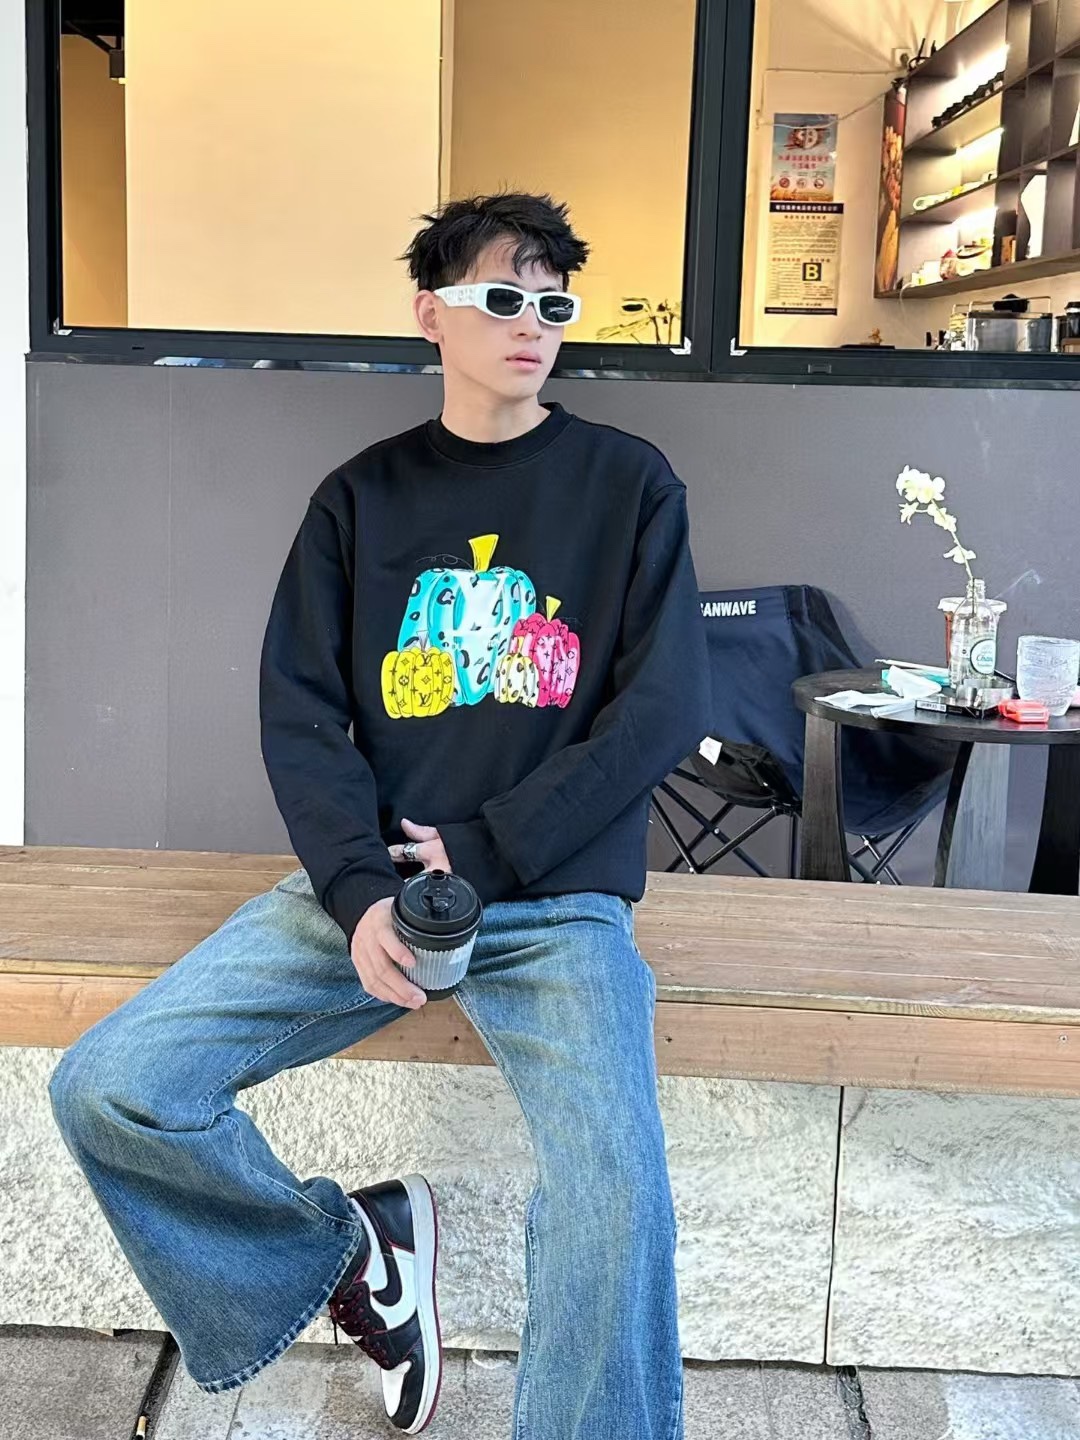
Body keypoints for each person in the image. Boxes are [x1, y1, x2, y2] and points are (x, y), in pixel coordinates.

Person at [47, 190, 711, 1438]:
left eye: (554, 303)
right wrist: (356, 890)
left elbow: (665, 704)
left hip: (558, 902)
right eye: (502, 298)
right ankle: (348, 1251)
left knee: (615, 1193)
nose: (532, 323)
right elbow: (300, 713)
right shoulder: (361, 500)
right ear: (430, 314)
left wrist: (497, 845)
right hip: (383, 892)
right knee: (112, 1086)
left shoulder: (628, 485)